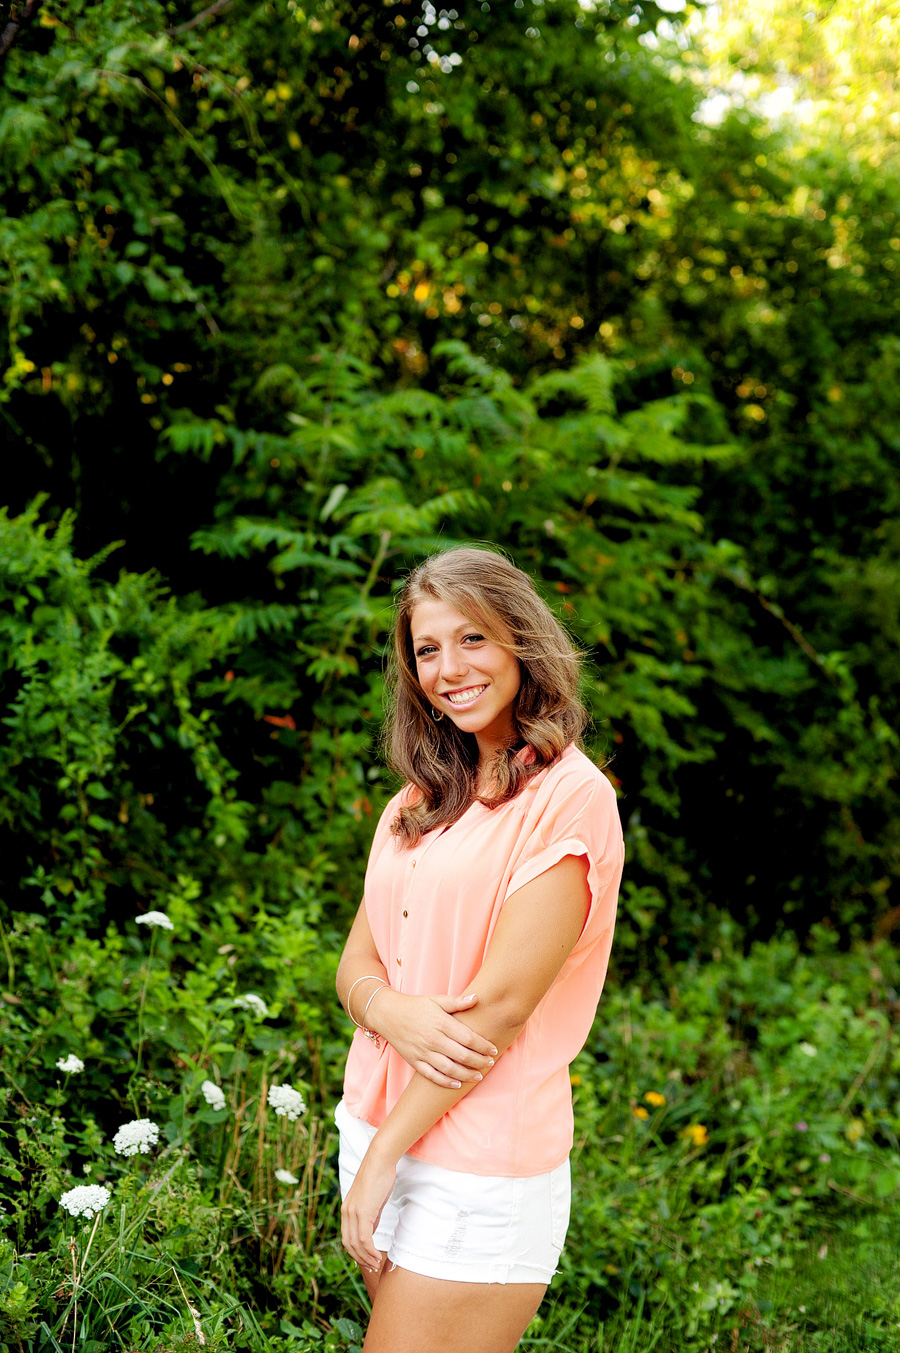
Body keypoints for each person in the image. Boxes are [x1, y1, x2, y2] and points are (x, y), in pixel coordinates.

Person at [335, 545, 624, 1353]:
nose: (447, 667)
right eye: (427, 648)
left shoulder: (571, 797)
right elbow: (358, 963)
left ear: (521, 642)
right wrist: (387, 1007)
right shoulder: (420, 797)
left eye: (472, 639)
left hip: (476, 1158)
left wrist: (384, 1156)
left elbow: (497, 1010)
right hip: (376, 1123)